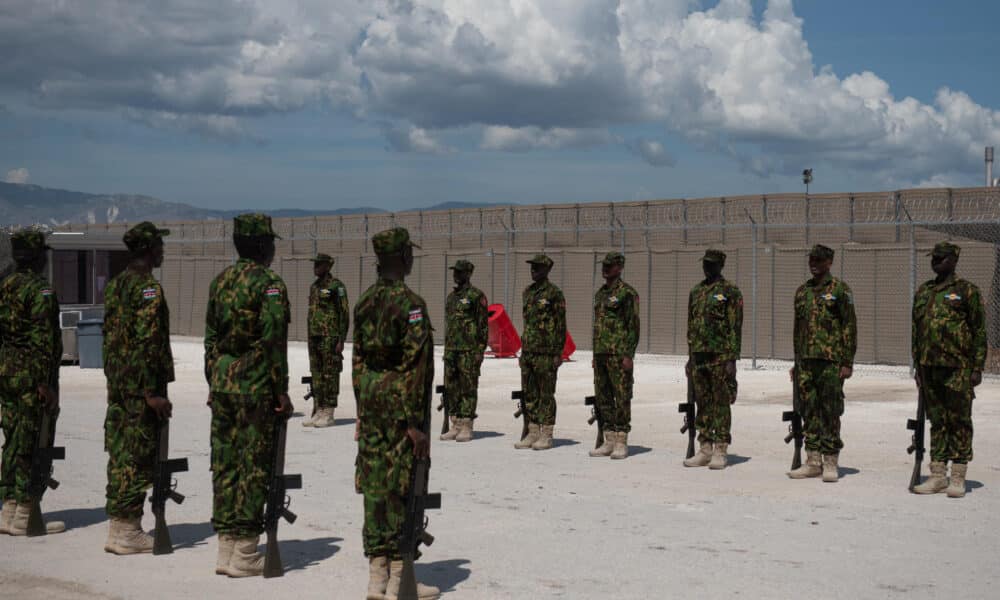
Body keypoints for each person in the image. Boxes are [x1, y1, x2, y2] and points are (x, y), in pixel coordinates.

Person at [204, 213, 293, 577]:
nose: (273, 248)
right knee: (255, 466)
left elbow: (210, 339)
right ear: (260, 245)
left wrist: (214, 379)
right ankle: (244, 551)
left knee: (225, 463)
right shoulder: (269, 284)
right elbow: (273, 342)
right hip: (255, 386)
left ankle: (226, 547)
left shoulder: (221, 281)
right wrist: (280, 390)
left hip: (224, 384)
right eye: (270, 242)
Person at [353, 227, 439, 599]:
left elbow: (357, 361)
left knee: (375, 486)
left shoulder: (365, 302)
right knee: (404, 486)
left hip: (373, 405)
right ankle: (400, 580)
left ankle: (377, 577)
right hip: (401, 409)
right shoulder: (411, 305)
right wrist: (414, 423)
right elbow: (415, 368)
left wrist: (362, 407)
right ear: (403, 258)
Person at [102, 222, 174, 554]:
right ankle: (128, 532)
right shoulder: (147, 288)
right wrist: (151, 392)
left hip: (119, 385)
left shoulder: (117, 285)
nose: (162, 250)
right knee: (137, 456)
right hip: (139, 390)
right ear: (148, 249)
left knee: (120, 454)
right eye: (159, 245)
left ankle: (120, 526)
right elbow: (148, 342)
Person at [0, 229, 64, 536]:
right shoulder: (41, 290)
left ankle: (9, 508)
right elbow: (44, 340)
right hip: (32, 378)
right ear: (38, 257)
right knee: (32, 440)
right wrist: (44, 383)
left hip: (8, 373)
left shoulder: (6, 285)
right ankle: (25, 513)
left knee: (12, 439)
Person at [911, 242, 986, 498]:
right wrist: (917, 365)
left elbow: (979, 332)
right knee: (938, 421)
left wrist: (976, 367)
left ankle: (958, 475)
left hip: (958, 368)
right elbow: (916, 332)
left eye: (941, 259)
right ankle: (937, 474)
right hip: (929, 368)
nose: (936, 263)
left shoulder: (967, 291)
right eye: (934, 258)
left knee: (960, 421)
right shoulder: (924, 291)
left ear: (954, 260)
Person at [788, 244, 857, 482]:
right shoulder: (802, 291)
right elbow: (798, 330)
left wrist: (847, 362)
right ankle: (813, 460)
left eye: (818, 260)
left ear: (829, 262)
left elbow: (849, 326)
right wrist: (796, 363)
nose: (813, 264)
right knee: (809, 410)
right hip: (806, 362)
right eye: (811, 260)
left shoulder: (839, 289)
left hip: (830, 362)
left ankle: (830, 461)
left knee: (830, 410)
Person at [684, 249, 743, 469]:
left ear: (720, 265)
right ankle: (705, 447)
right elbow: (691, 326)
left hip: (720, 356)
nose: (706, 267)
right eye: (705, 264)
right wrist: (690, 357)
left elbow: (735, 327)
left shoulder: (730, 291)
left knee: (721, 403)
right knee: (703, 402)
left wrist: (732, 359)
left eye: (711, 264)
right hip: (699, 356)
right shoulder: (696, 291)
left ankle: (720, 448)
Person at [590, 251, 639, 460]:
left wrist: (628, 354)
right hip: (602, 354)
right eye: (604, 265)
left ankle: (621, 440)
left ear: (619, 267)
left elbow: (633, 325)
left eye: (609, 266)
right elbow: (598, 327)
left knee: (622, 397)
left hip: (619, 354)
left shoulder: (627, 293)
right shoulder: (600, 294)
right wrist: (595, 354)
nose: (605, 269)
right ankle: (608, 439)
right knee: (603, 397)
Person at [515, 254, 567, 451]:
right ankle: (533, 431)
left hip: (546, 352)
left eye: (537, 267)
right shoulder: (527, 292)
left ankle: (547, 433)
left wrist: (557, 352)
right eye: (532, 267)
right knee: (529, 393)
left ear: (547, 270)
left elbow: (561, 325)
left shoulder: (554, 294)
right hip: (529, 350)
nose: (533, 270)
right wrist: (523, 351)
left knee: (546, 394)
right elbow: (528, 323)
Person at [441, 259, 489, 443]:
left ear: (468, 274)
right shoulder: (451, 297)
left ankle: (467, 425)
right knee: (452, 387)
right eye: (455, 271)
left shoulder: (476, 296)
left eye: (460, 272)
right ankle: (456, 423)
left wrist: (480, 350)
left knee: (468, 387)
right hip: (452, 350)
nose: (456, 275)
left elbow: (483, 325)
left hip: (469, 350)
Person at [303, 253, 349, 428]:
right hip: (314, 336)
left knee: (330, 373)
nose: (315, 267)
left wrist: (341, 338)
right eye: (315, 264)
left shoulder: (337, 286)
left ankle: (329, 412)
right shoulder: (314, 287)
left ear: (328, 266)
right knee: (317, 373)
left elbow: (344, 313)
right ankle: (319, 409)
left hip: (330, 336)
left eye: (319, 264)